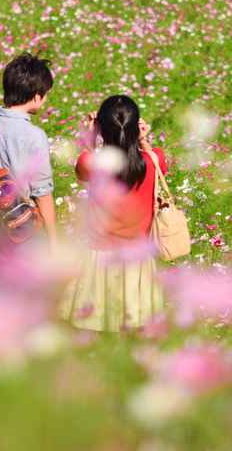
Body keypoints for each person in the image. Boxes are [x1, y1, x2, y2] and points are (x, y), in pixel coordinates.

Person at [59, 94, 166, 331]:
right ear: (136, 127)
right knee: (133, 322)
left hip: (100, 254)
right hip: (137, 257)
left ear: (103, 131)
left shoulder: (93, 163)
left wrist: (91, 136)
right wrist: (143, 139)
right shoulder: (151, 161)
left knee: (94, 322)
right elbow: (160, 165)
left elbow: (82, 166)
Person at [0, 53, 58, 251]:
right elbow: (42, 194)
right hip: (22, 238)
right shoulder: (34, 136)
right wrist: (53, 240)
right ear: (36, 96)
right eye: (45, 94)